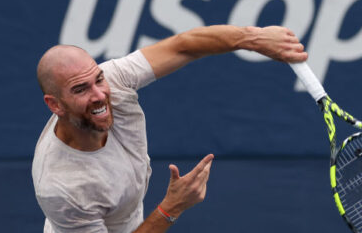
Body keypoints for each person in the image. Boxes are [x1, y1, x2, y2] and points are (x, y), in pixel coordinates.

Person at [32, 25, 307, 233]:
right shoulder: (63, 189)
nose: (100, 95)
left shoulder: (113, 82)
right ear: (54, 104)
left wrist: (253, 38)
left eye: (98, 80)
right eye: (81, 89)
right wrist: (171, 207)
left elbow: (183, 46)